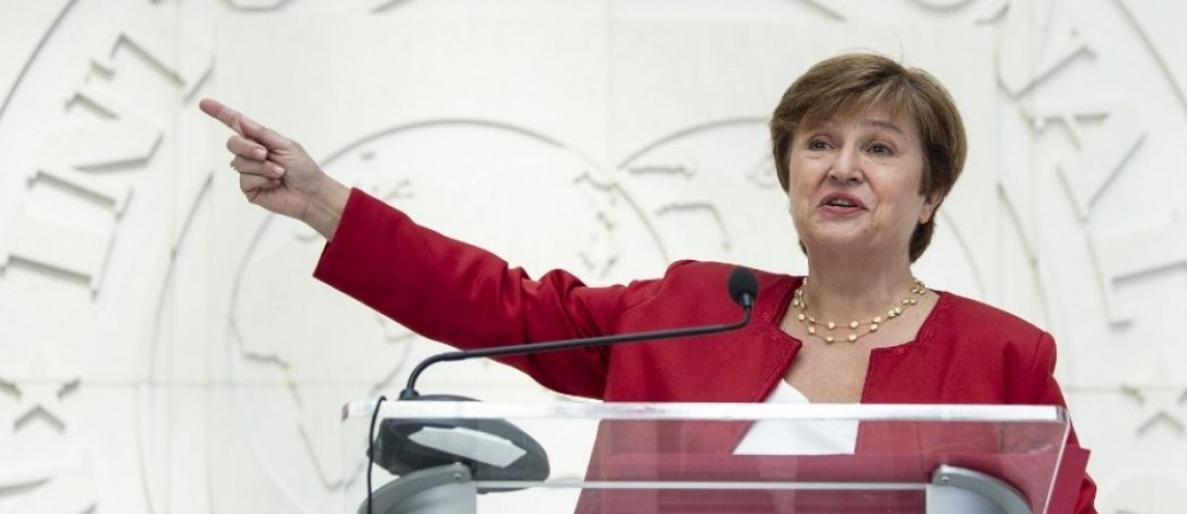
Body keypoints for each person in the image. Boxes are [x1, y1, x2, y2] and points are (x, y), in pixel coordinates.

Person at [201, 52, 1097, 513]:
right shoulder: (696, 310)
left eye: (880, 147)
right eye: (819, 143)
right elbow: (507, 307)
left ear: (931, 192)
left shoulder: (1001, 358)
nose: (842, 166)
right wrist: (324, 203)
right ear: (789, 174)